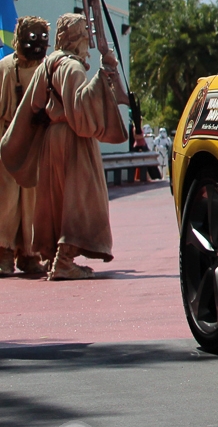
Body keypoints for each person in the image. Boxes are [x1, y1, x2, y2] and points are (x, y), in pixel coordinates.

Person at [21, 14, 128, 281]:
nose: (87, 45)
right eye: (85, 38)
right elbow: (80, 111)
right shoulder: (73, 68)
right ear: (77, 39)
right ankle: (64, 260)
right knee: (80, 199)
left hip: (51, 139)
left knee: (55, 199)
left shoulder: (48, 64)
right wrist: (104, 74)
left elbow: (34, 101)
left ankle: (51, 255)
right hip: (72, 139)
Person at [0, 17, 49, 275]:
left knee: (32, 201)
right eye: (31, 38)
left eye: (42, 38)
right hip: (6, 143)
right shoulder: (5, 68)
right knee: (6, 200)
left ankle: (29, 254)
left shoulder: (46, 70)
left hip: (34, 145)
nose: (37, 44)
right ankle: (3, 252)